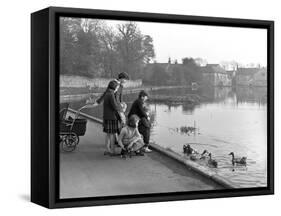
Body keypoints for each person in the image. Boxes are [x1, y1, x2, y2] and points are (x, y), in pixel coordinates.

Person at [102, 80, 122, 156]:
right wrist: (121, 108)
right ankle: (112, 151)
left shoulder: (107, 93)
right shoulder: (111, 94)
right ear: (114, 87)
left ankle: (107, 149)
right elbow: (115, 106)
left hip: (106, 116)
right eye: (117, 87)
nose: (117, 88)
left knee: (108, 134)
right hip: (111, 117)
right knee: (112, 134)